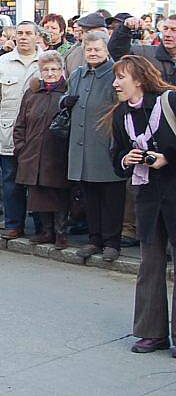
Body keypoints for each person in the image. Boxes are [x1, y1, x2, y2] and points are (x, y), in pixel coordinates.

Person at [108, 55, 176, 355]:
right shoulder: (121, 114)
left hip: (174, 191)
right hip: (147, 195)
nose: (115, 83)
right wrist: (126, 159)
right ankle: (152, 332)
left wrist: (167, 158)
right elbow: (117, 155)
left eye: (120, 77)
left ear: (138, 79)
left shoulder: (169, 102)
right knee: (150, 264)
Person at [67, 31, 126, 261]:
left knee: (111, 196)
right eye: (89, 49)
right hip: (82, 144)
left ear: (106, 50)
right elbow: (69, 99)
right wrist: (65, 102)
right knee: (90, 195)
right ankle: (95, 239)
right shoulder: (78, 74)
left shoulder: (115, 74)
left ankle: (112, 242)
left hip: (107, 143)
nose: (92, 53)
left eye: (97, 49)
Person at [13, 50, 71, 248]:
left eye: (55, 69)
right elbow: (20, 123)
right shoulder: (32, 93)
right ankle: (46, 231)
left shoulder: (67, 93)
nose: (50, 73)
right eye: (46, 69)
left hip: (57, 152)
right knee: (38, 193)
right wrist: (20, 147)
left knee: (58, 192)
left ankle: (61, 233)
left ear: (62, 70)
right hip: (32, 151)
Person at [0, 21, 41, 239]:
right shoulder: (3, 62)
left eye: (28, 33)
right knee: (10, 179)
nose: (23, 37)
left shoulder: (45, 61)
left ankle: (41, 227)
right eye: (20, 33)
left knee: (37, 180)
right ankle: (14, 223)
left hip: (38, 132)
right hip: (9, 129)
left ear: (37, 37)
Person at [110, 14, 176, 85]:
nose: (167, 34)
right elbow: (118, 51)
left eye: (174, 30)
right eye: (165, 28)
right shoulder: (146, 54)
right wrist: (124, 28)